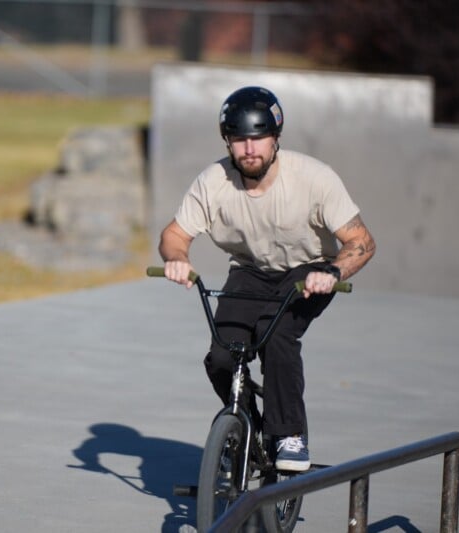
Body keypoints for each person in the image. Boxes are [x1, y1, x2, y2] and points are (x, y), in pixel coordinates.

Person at [158, 86, 376, 472]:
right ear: (227, 142)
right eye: (239, 140)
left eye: (258, 138)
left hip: (308, 270)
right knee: (223, 355)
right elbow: (174, 235)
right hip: (250, 270)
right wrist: (176, 260)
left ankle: (289, 433)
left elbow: (361, 241)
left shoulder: (314, 178)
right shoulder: (214, 182)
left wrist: (333, 271)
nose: (249, 149)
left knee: (277, 337)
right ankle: (245, 428)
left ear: (276, 138)